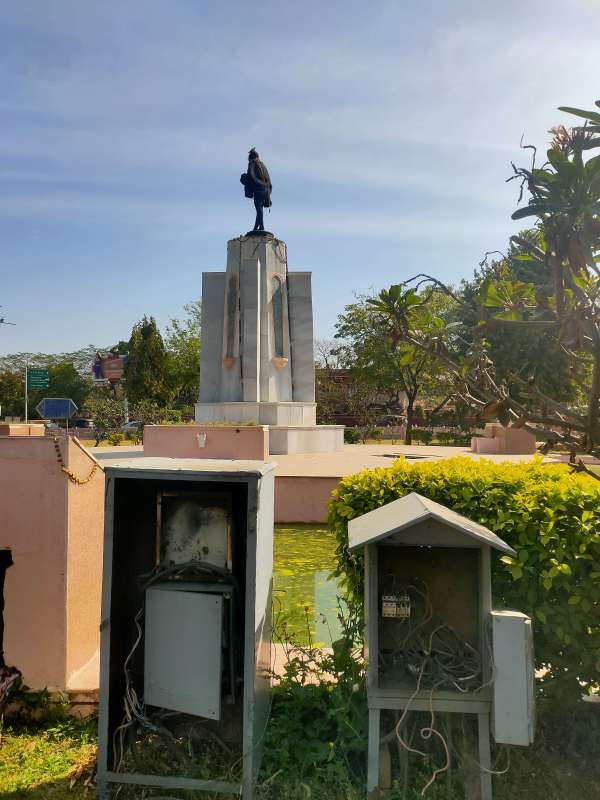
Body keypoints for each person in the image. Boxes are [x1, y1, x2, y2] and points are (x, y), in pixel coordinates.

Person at [240, 148, 272, 232]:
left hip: (259, 190)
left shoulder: (252, 163)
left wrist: (244, 179)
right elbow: (269, 180)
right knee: (259, 209)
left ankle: (261, 227)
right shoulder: (262, 165)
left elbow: (251, 175)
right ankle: (256, 227)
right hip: (266, 190)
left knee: (259, 210)